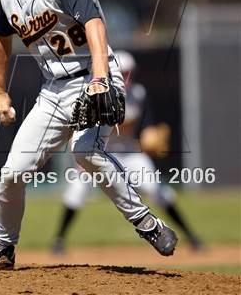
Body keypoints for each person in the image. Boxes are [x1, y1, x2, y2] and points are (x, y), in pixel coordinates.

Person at [0, 0, 177, 270]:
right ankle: (3, 247)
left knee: (85, 154)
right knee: (12, 173)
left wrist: (100, 78)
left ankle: (146, 222)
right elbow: (0, 37)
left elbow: (94, 23)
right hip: (53, 91)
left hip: (93, 77)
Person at [51, 51, 204, 254]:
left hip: (130, 153)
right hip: (97, 153)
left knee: (158, 190)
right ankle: (58, 241)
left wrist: (151, 138)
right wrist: (78, 159)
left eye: (129, 72)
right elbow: (77, 127)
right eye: (122, 72)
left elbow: (147, 128)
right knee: (76, 192)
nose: (125, 76)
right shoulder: (96, 93)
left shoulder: (138, 94)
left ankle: (191, 237)